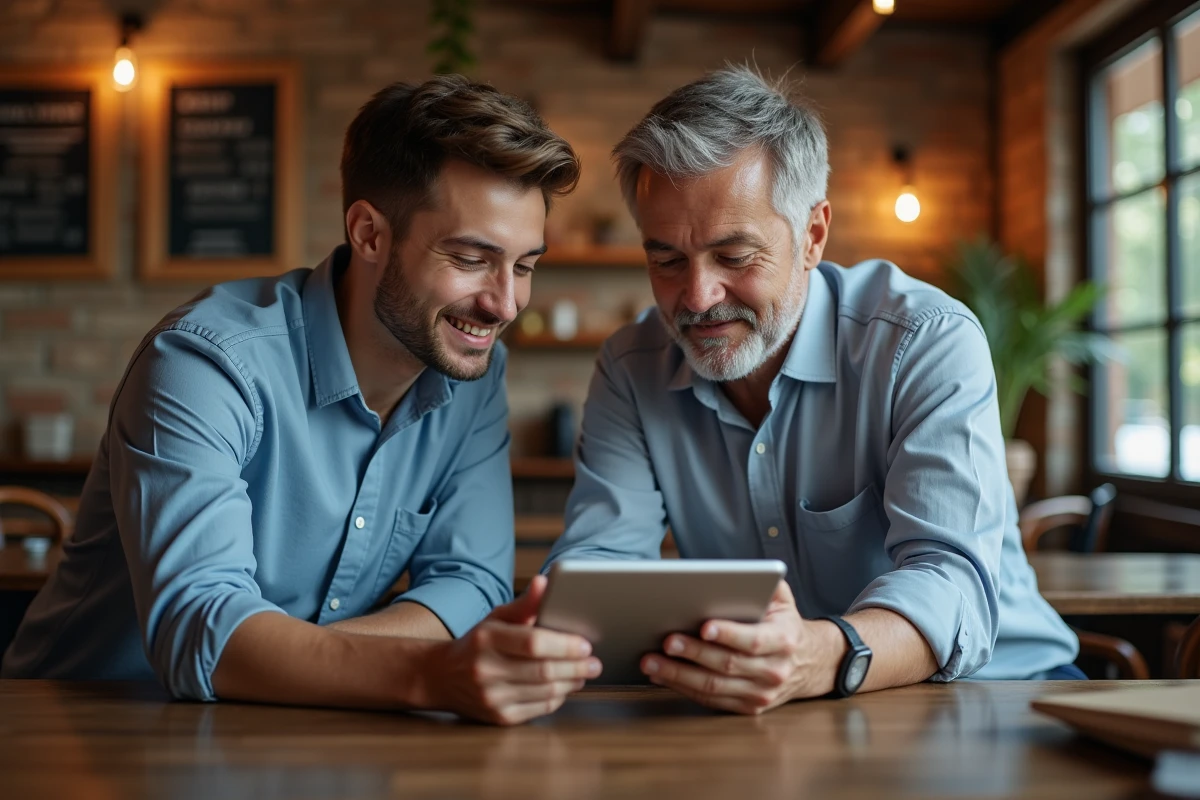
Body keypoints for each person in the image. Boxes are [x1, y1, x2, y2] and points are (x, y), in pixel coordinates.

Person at [3, 75, 601, 726]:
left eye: (524, 265)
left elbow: (470, 583)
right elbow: (200, 627)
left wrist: (287, 659)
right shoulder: (204, 362)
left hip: (306, 730)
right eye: (469, 257)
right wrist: (429, 672)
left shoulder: (473, 376)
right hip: (79, 734)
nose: (505, 304)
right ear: (369, 233)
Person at [544, 65, 1080, 714]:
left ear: (813, 236)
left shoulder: (926, 341)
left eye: (735, 257)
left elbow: (951, 582)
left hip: (1001, 699)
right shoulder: (632, 367)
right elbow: (599, 570)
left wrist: (818, 656)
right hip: (786, 717)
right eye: (666, 260)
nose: (697, 297)